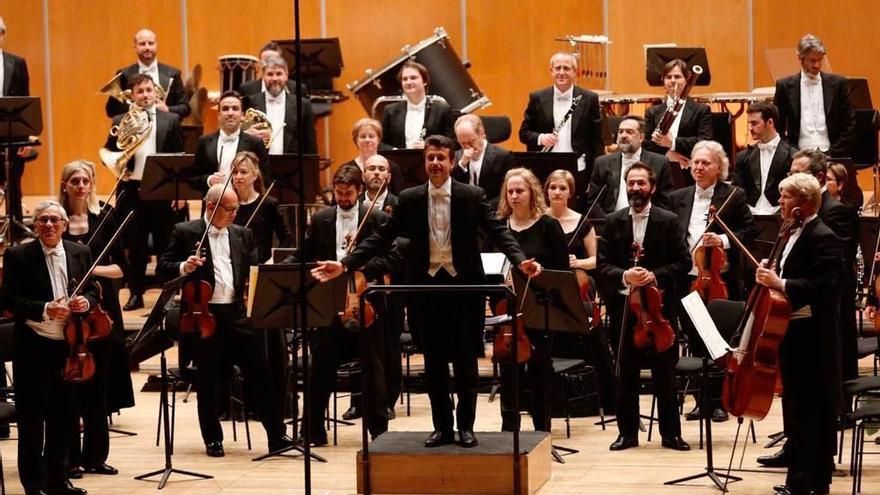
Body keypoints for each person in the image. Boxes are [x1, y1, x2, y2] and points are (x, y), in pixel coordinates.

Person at [310, 135, 542, 448]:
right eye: (430, 158)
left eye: (441, 158)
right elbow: (380, 239)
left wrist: (520, 261)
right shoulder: (410, 198)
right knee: (433, 364)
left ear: (450, 162)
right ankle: (442, 427)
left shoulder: (472, 196)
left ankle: (466, 427)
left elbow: (499, 232)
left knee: (465, 364)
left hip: (464, 291)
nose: (435, 163)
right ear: (425, 162)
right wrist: (346, 264)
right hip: (425, 291)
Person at [157, 184, 292, 457]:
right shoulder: (186, 232)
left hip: (237, 314)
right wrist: (184, 266)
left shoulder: (243, 234)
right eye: (230, 209)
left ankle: (277, 436)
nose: (234, 214)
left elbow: (251, 272)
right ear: (211, 207)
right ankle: (213, 439)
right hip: (203, 315)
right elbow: (163, 267)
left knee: (261, 374)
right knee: (209, 380)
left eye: (236, 209)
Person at [284, 164, 398, 444]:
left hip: (365, 299)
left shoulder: (377, 220)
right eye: (338, 193)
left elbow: (393, 257)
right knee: (320, 366)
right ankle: (312, 429)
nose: (342, 198)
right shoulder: (322, 219)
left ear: (360, 191)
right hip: (328, 299)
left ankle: (378, 431)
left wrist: (356, 269)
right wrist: (277, 270)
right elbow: (304, 253)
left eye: (348, 193)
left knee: (373, 368)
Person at [754, 173, 843, 495]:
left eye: (785, 196)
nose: (780, 202)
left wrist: (781, 284)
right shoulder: (792, 232)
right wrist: (773, 271)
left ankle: (806, 483)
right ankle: (807, 481)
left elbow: (827, 288)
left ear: (803, 203)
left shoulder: (822, 235)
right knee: (798, 409)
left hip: (812, 338)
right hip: (793, 333)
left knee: (808, 411)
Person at [3, 200, 98, 495]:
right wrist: (45, 309)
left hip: (69, 347)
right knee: (32, 420)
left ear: (64, 226)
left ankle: (58, 480)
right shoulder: (18, 255)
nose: (48, 225)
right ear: (35, 226)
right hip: (33, 346)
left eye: (54, 220)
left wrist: (87, 302)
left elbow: (93, 288)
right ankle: (33, 484)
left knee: (64, 418)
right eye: (43, 220)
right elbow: (8, 302)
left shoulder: (79, 252)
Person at [596, 163, 691, 452]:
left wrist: (654, 275)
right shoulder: (613, 221)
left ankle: (671, 434)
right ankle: (627, 434)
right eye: (631, 183)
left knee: (665, 375)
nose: (635, 188)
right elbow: (602, 265)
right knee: (626, 375)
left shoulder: (669, 219)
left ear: (653, 187)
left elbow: (683, 263)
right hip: (625, 310)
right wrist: (625, 275)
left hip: (659, 310)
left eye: (641, 183)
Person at [668, 140, 756, 423]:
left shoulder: (733, 195)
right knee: (695, 340)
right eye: (695, 162)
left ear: (720, 167)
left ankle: (719, 401)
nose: (699, 167)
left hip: (720, 281)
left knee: (718, 341)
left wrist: (723, 240)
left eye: (706, 163)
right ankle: (699, 401)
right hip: (688, 281)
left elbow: (749, 230)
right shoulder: (677, 197)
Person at [58, 161, 133, 480]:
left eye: (85, 180)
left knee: (97, 392)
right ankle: (69, 458)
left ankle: (95, 457)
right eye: (74, 180)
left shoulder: (105, 218)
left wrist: (89, 270)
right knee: (69, 392)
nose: (80, 185)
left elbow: (121, 270)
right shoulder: (55, 220)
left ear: (91, 184)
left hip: (101, 312)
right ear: (65, 185)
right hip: (67, 313)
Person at [496, 168, 568, 432]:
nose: (514, 196)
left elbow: (562, 272)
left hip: (540, 306)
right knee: (508, 370)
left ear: (531, 193)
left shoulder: (548, 225)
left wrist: (540, 273)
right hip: (508, 308)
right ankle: (509, 430)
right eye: (510, 191)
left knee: (539, 369)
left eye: (520, 191)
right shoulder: (499, 226)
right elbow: (489, 264)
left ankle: (541, 429)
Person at [103, 73, 183, 311]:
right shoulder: (120, 119)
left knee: (164, 245)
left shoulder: (171, 119)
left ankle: (167, 295)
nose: (146, 95)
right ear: (132, 95)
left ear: (156, 92)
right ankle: (136, 293)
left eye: (149, 90)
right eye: (140, 91)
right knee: (135, 245)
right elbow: (110, 151)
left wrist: (178, 193)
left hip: (162, 189)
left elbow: (180, 158)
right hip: (130, 188)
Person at [545, 169, 616, 412]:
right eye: (553, 187)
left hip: (577, 288)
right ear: (546, 191)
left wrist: (577, 263)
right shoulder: (540, 220)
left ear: (570, 193)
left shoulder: (581, 222)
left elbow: (597, 260)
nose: (557, 192)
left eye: (562, 188)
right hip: (549, 289)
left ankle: (593, 396)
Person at [519, 51, 604, 187]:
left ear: (575, 71)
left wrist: (596, 175)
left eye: (566, 68)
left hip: (578, 166)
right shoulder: (537, 98)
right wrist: (541, 138)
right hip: (546, 165)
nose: (561, 72)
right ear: (551, 71)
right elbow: (523, 134)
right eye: (557, 68)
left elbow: (597, 141)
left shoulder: (589, 98)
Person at [774, 34, 855, 160]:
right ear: (800, 59)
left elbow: (849, 123)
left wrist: (833, 152)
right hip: (798, 158)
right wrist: (792, 152)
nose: (817, 65)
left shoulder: (839, 84)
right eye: (812, 60)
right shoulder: (784, 86)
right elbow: (777, 126)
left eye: (820, 60)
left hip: (833, 156)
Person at [588, 115, 673, 215]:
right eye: (620, 132)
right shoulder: (601, 163)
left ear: (641, 137)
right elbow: (594, 203)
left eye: (629, 132)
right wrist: (609, 223)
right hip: (611, 224)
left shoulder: (660, 163)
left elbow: (666, 201)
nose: (623, 135)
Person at [644, 59, 713, 178]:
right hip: (660, 171)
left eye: (677, 76)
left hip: (691, 170)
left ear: (687, 79)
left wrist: (673, 143)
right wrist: (668, 154)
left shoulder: (701, 110)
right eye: (668, 77)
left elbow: (705, 141)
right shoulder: (653, 111)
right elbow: (645, 143)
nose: (672, 81)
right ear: (663, 81)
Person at [192, 90, 268, 192]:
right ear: (218, 115)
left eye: (235, 109)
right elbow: (193, 178)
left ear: (242, 115)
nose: (230, 113)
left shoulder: (255, 143)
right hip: (214, 204)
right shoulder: (204, 141)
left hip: (245, 205)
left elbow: (265, 179)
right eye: (225, 109)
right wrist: (209, 180)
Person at [104, 28, 189, 119]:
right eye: (142, 44)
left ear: (156, 45)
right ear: (135, 47)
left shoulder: (173, 74)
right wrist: (132, 108)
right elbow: (111, 110)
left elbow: (185, 108)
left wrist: (167, 109)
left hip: (165, 129)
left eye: (151, 43)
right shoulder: (124, 74)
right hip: (136, 130)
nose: (147, 47)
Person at [0, 16, 35, 232]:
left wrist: (26, 137)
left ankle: (16, 229)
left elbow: (25, 102)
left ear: (2, 35)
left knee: (14, 184)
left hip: (11, 133)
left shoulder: (17, 63)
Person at [243, 55, 317, 156]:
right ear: (263, 77)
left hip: (291, 166)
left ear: (286, 76)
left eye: (279, 74)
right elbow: (241, 138)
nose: (274, 78)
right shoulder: (250, 102)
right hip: (258, 166)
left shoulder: (303, 105)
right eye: (270, 74)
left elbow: (310, 144)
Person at [733, 101, 796, 215]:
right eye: (749, 124)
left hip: (781, 215)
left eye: (754, 123)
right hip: (750, 216)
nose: (750, 128)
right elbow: (737, 191)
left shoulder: (793, 155)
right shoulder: (743, 157)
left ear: (770, 122)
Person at [230, 151, 292, 263]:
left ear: (255, 176)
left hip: (261, 265)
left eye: (243, 172)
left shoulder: (268, 204)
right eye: (235, 172)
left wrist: (274, 259)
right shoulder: (228, 204)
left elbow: (286, 238)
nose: (238, 176)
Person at [380, 61, 455, 149]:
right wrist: (397, 151)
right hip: (399, 161)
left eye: (413, 78)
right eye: (405, 79)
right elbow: (380, 143)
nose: (408, 82)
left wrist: (430, 146)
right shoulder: (390, 111)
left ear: (425, 81)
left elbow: (452, 142)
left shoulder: (442, 110)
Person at [451, 114, 513, 206]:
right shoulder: (456, 157)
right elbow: (451, 187)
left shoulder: (502, 156)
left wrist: (483, 207)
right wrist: (461, 165)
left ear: (481, 134)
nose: (467, 147)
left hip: (492, 210)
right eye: (463, 143)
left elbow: (506, 192)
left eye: (471, 142)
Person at [340, 118, 405, 194]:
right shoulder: (347, 169)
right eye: (363, 136)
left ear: (378, 139)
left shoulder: (392, 167)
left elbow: (400, 198)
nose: (367, 140)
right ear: (356, 140)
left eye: (371, 136)